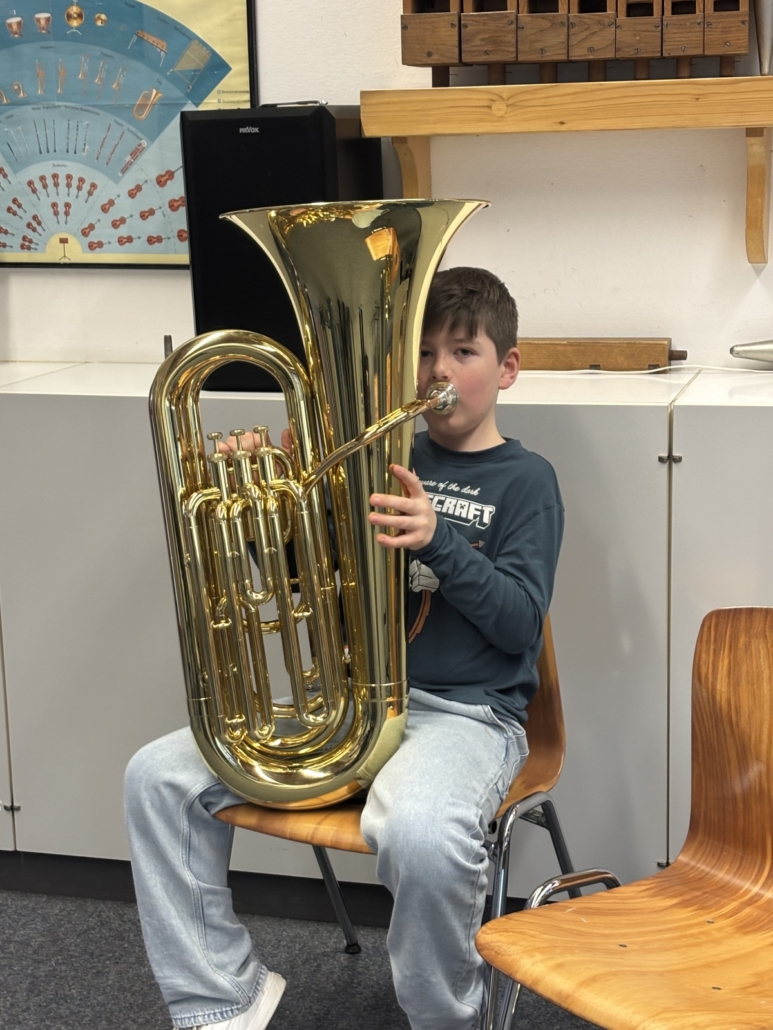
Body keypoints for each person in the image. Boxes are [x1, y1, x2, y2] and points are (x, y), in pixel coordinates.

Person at [124, 266, 564, 1030]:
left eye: (462, 352)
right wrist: (273, 514)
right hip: (354, 703)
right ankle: (222, 998)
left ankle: (446, 1020)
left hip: (465, 717)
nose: (436, 372)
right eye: (423, 352)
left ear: (507, 368)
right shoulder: (377, 455)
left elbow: (519, 624)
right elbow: (311, 585)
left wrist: (439, 541)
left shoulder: (527, 480)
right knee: (156, 777)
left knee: (422, 836)